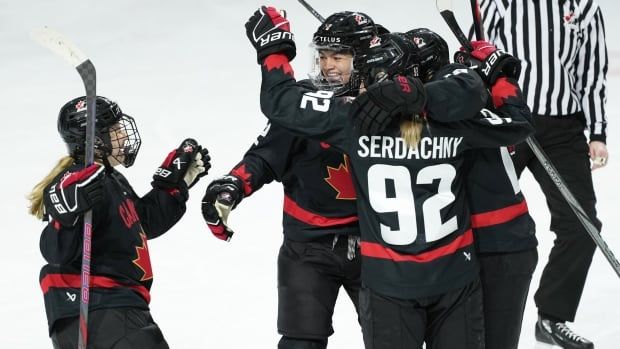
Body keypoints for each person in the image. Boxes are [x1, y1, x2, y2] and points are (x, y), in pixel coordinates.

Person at [244, 7, 533, 348]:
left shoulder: (350, 120)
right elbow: (515, 122)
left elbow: (279, 101)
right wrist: (500, 74)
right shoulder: (453, 119)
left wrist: (273, 49)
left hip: (387, 283)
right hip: (455, 277)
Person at [202, 11, 379, 349]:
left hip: (375, 242)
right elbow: (264, 156)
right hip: (308, 248)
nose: (328, 66)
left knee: (393, 341)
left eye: (338, 57)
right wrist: (232, 186)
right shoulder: (303, 100)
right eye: (323, 56)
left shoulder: (390, 101)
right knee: (300, 343)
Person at [28, 96, 209, 348]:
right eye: (115, 130)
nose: (123, 136)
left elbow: (141, 224)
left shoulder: (112, 180)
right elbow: (56, 251)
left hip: (118, 311)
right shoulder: (76, 182)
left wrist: (173, 187)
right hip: (101, 311)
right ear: (94, 139)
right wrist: (64, 215)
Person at [477, 1, 608, 347]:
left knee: (583, 225)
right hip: (506, 121)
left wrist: (597, 132)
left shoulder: (583, 5)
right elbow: (480, 55)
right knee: (477, 217)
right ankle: (461, 310)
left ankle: (551, 315)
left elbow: (590, 70)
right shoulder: (501, 2)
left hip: (562, 128)